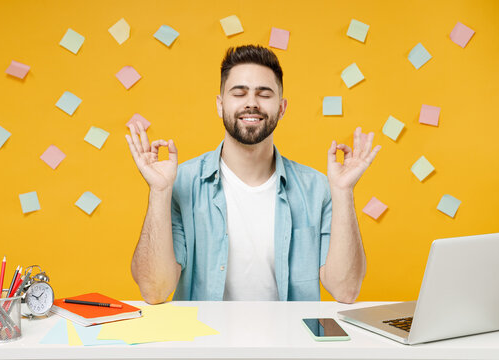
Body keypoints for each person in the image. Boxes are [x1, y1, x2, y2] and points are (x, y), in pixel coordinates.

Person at [126, 45, 381, 304]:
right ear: (220, 104)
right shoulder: (181, 184)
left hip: (289, 342)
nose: (251, 103)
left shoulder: (318, 189)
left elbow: (346, 290)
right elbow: (154, 289)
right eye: (239, 93)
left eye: (264, 94)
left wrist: (343, 192)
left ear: (281, 108)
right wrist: (159, 192)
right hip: (207, 342)